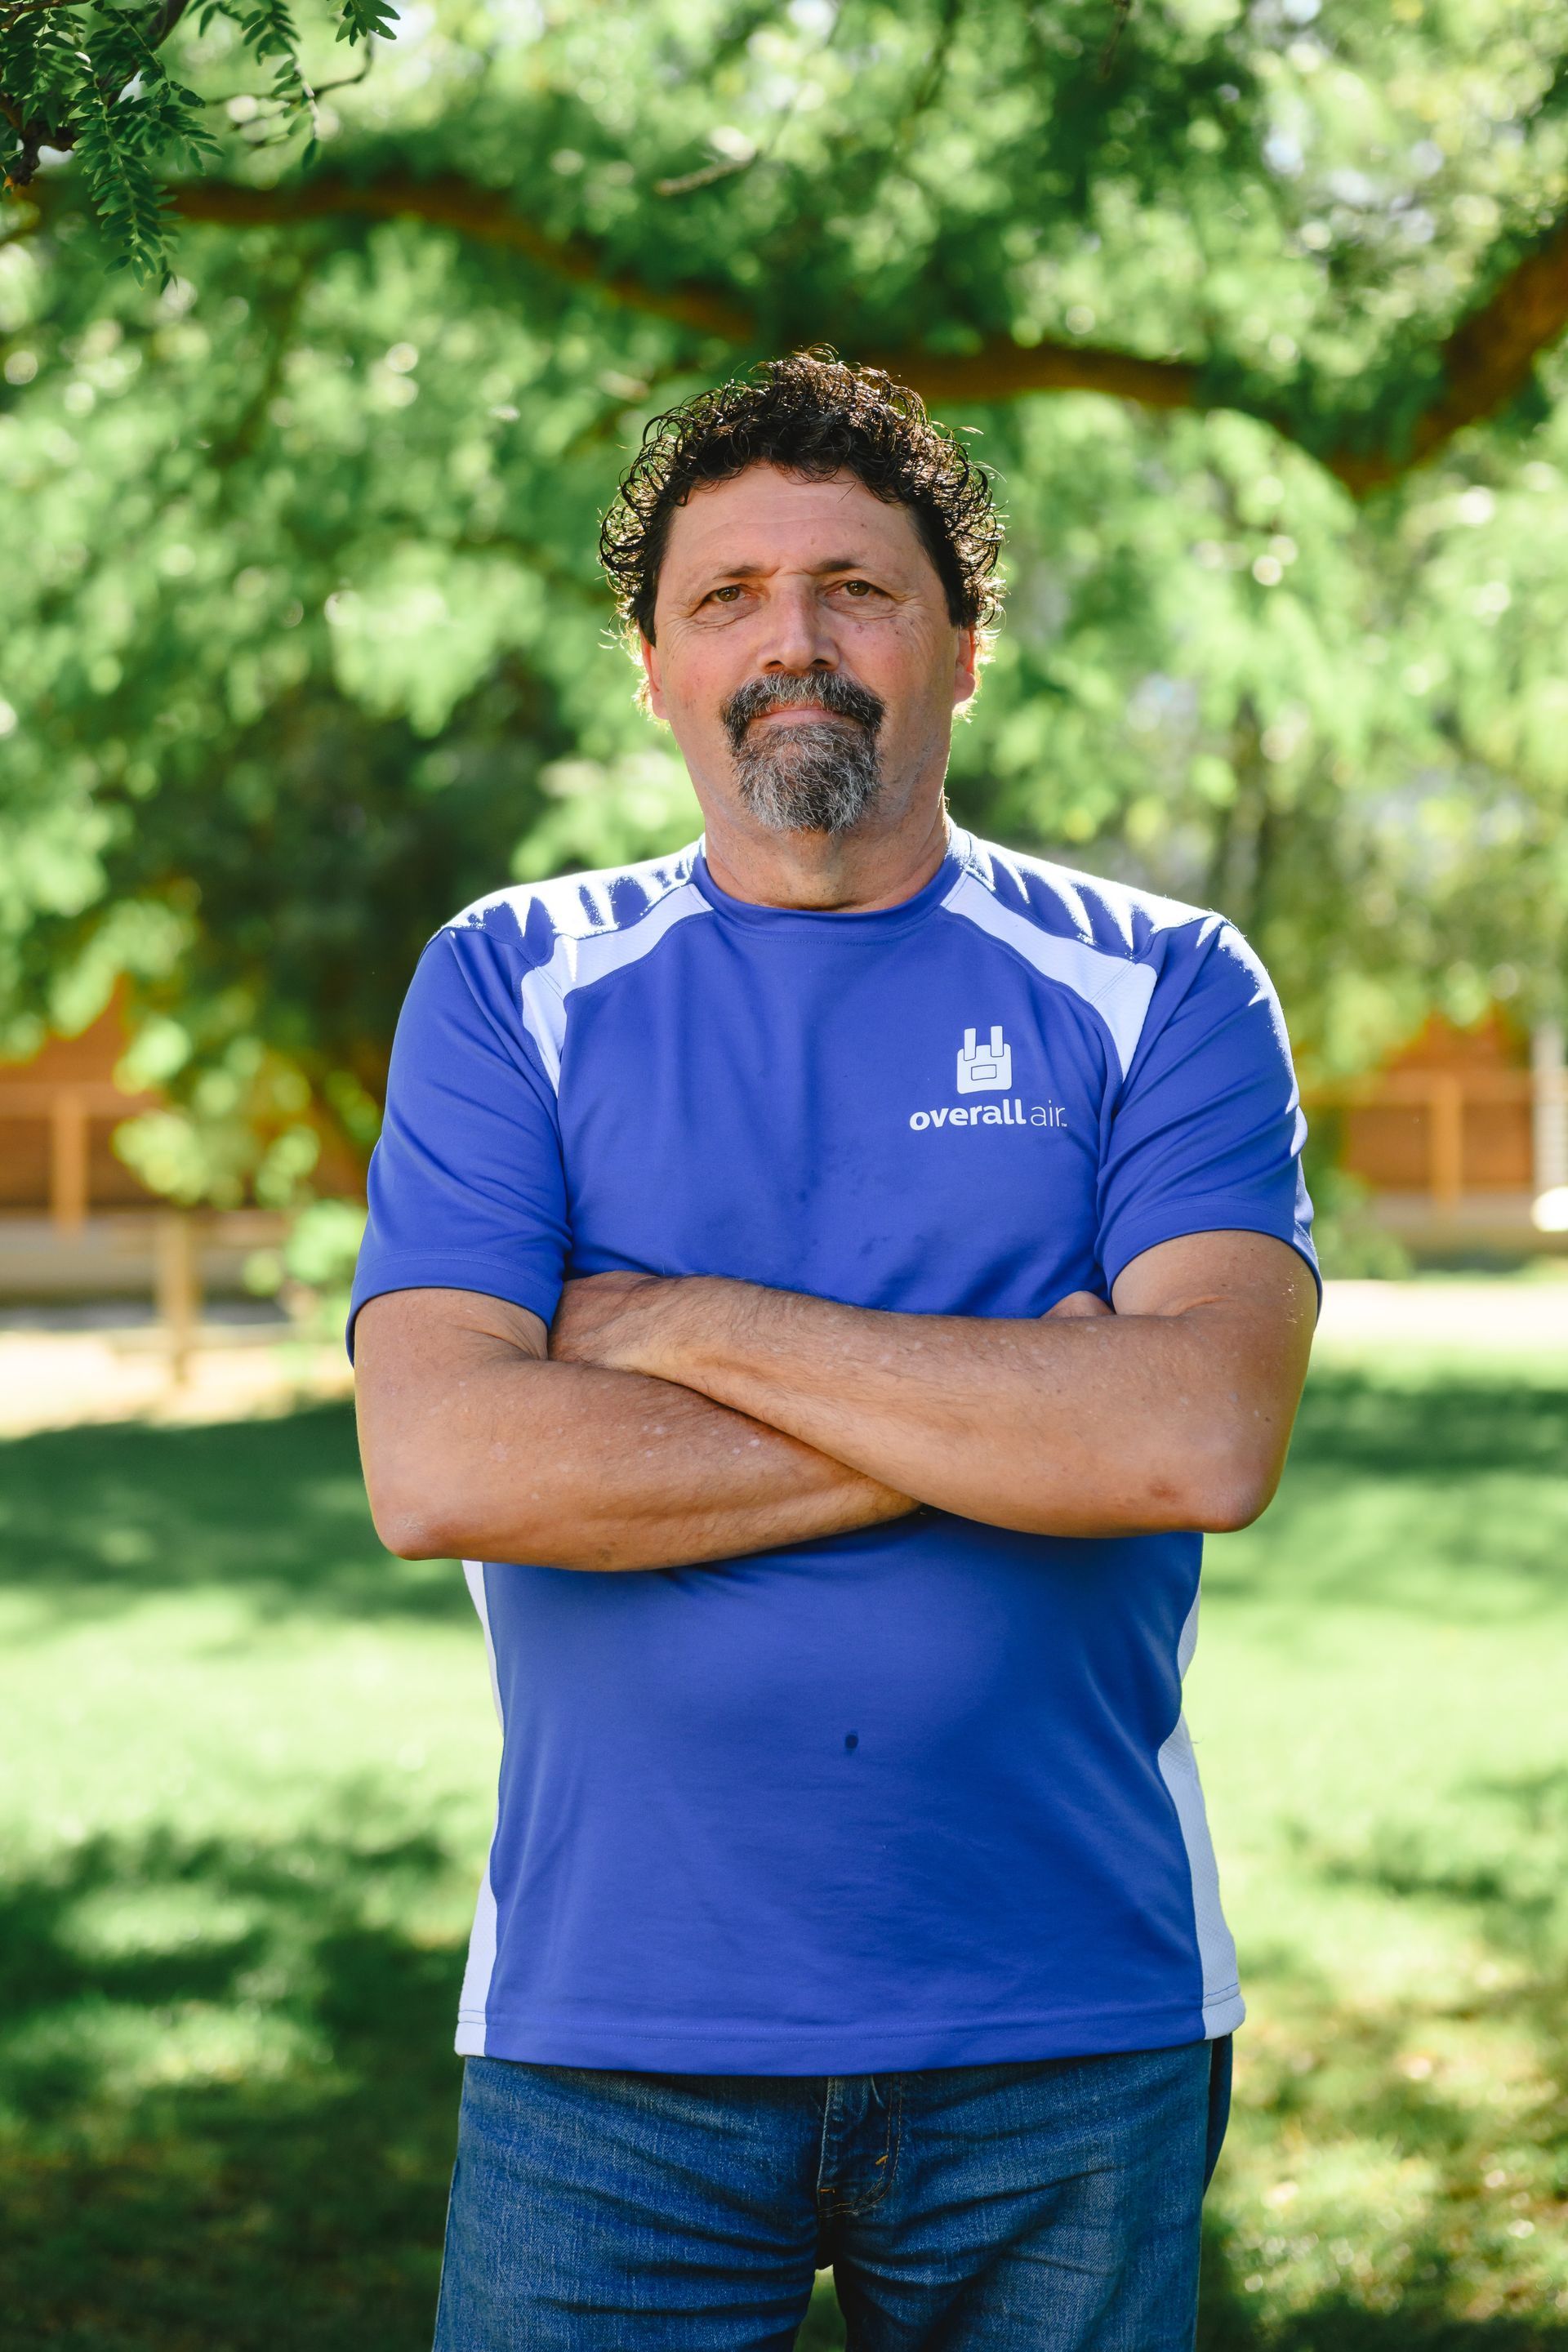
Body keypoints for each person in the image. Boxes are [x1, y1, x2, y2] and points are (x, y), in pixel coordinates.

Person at [350, 351, 1319, 2352]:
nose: (794, 639)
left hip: (1068, 2024)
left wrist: (681, 1330)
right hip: (609, 2029)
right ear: (654, 668)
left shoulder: (1165, 987)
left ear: (966, 643)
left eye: (856, 587)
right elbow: (445, 1469)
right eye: (728, 597)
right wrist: (1019, 1407)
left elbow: (1199, 1436)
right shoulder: (513, 985)